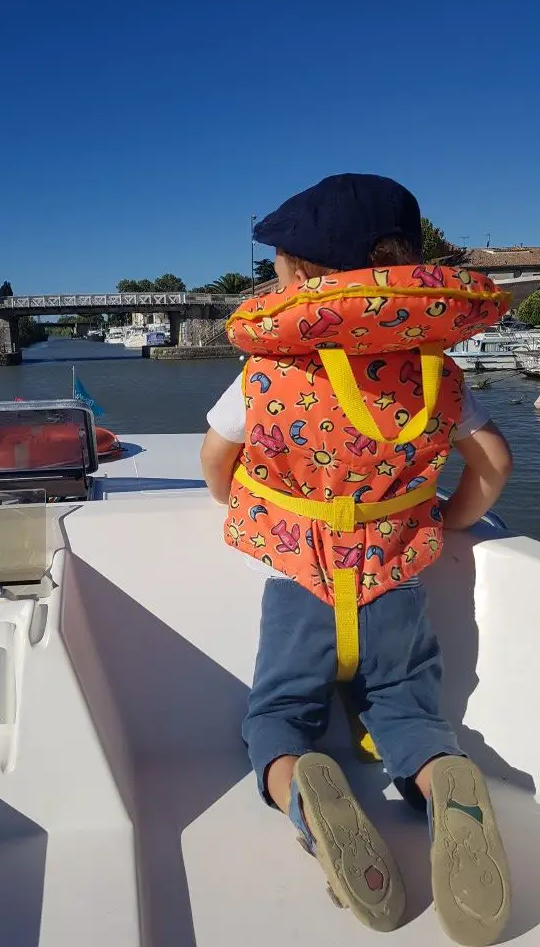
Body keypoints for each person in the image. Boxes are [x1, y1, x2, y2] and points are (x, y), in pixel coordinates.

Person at [200, 174, 513, 944]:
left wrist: (244, 505)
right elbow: (494, 465)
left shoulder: (269, 371)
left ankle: (300, 783)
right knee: (407, 708)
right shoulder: (431, 369)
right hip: (395, 576)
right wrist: (450, 515)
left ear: (302, 276)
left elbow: (217, 460)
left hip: (298, 584)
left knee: (277, 717)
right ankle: (443, 778)